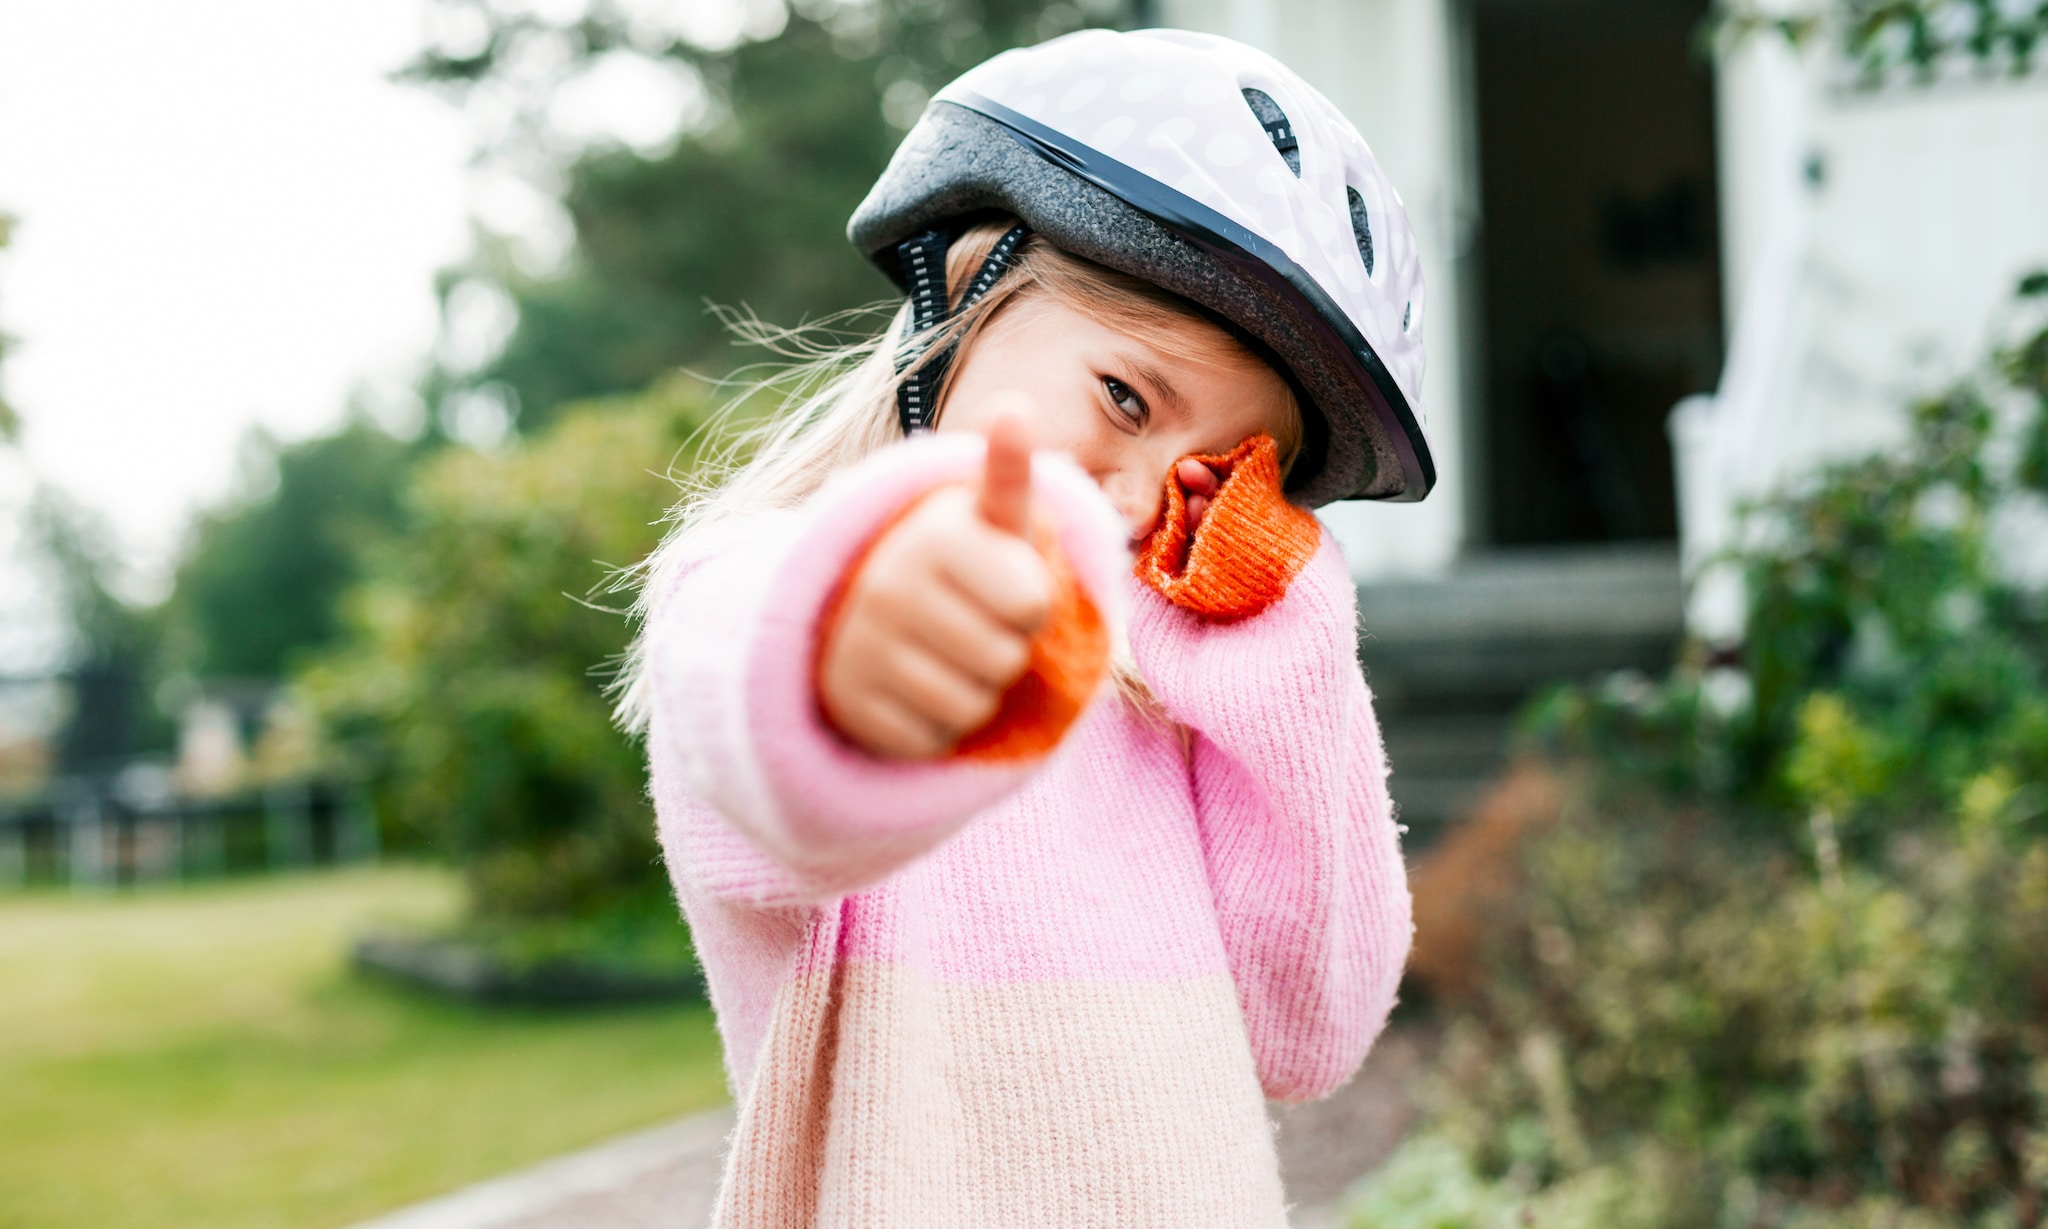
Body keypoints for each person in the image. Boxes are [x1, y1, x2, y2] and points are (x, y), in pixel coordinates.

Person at [612, 26, 1435, 1228]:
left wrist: (1278, 651)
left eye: (1218, 473)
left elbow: (1305, 1031)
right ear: (972, 275)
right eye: (1123, 396)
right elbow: (761, 745)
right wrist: (858, 652)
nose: (1150, 496)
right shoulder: (762, 585)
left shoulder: (1170, 695)